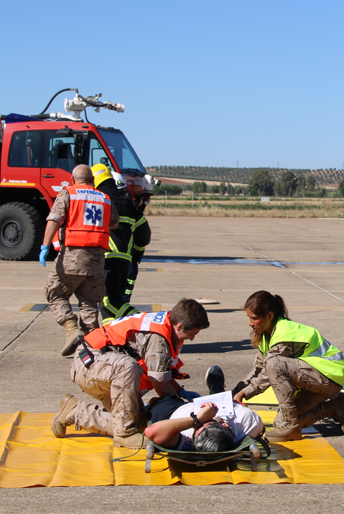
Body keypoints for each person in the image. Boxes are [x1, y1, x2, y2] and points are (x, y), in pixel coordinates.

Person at [51, 298, 209, 448]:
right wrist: (178, 408)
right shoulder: (158, 338)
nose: (192, 339)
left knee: (140, 426)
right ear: (179, 326)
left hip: (105, 369)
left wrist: (180, 391)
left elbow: (161, 372)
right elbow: (158, 382)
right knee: (128, 366)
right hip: (88, 366)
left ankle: (75, 412)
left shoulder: (166, 324)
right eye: (192, 334)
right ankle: (124, 435)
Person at [233, 291, 344, 442]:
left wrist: (245, 393)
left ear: (269, 316)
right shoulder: (266, 336)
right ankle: (334, 408)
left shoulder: (285, 334)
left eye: (254, 318)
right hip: (314, 381)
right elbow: (258, 370)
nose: (250, 323)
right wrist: (238, 391)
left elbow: (269, 372)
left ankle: (290, 424)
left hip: (328, 375)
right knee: (278, 424)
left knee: (274, 364)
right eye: (249, 318)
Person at [40, 164, 120, 356]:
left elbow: (54, 220)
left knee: (55, 293)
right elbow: (114, 223)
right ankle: (94, 346)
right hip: (97, 261)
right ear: (92, 180)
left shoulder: (68, 194)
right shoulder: (105, 199)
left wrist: (44, 246)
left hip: (72, 257)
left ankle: (71, 329)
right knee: (90, 302)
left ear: (72, 179)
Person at [92, 164, 152, 324]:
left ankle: (142, 322)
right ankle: (111, 337)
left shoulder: (98, 199)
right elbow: (144, 234)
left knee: (109, 302)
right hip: (124, 261)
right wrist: (136, 254)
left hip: (105, 258)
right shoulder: (129, 202)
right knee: (110, 303)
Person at [142, 396, 265, 452]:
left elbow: (151, 432)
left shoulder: (188, 437)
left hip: (173, 412)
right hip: (222, 402)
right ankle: (216, 390)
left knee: (158, 401)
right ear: (225, 425)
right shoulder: (245, 421)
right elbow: (260, 427)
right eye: (205, 423)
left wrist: (197, 419)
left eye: (199, 427)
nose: (198, 426)